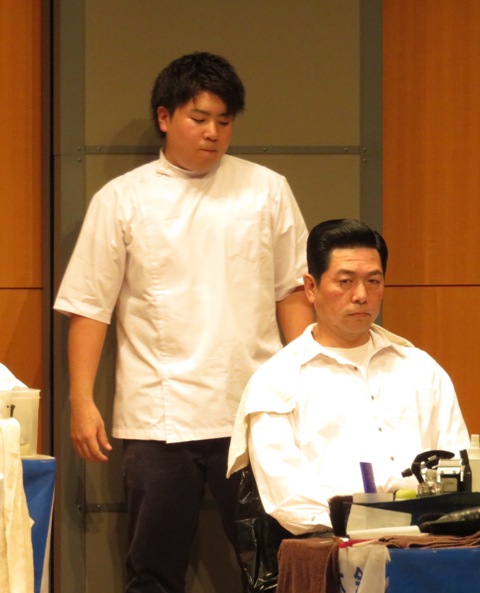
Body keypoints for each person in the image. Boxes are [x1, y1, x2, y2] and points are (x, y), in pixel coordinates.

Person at [54, 51, 314, 593]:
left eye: (224, 120)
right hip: (158, 415)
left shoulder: (267, 189)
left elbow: (292, 291)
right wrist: (81, 400)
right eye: (199, 118)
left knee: (272, 565)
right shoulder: (121, 199)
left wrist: (308, 384)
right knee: (153, 569)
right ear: (165, 117)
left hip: (255, 411)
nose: (213, 132)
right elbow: (89, 306)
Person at [228, 218, 469, 536]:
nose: (361, 295)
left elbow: (456, 463)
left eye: (373, 281)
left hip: (428, 538)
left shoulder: (421, 369)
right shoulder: (277, 381)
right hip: (328, 539)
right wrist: (371, 527)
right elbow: (290, 500)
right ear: (311, 288)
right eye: (345, 282)